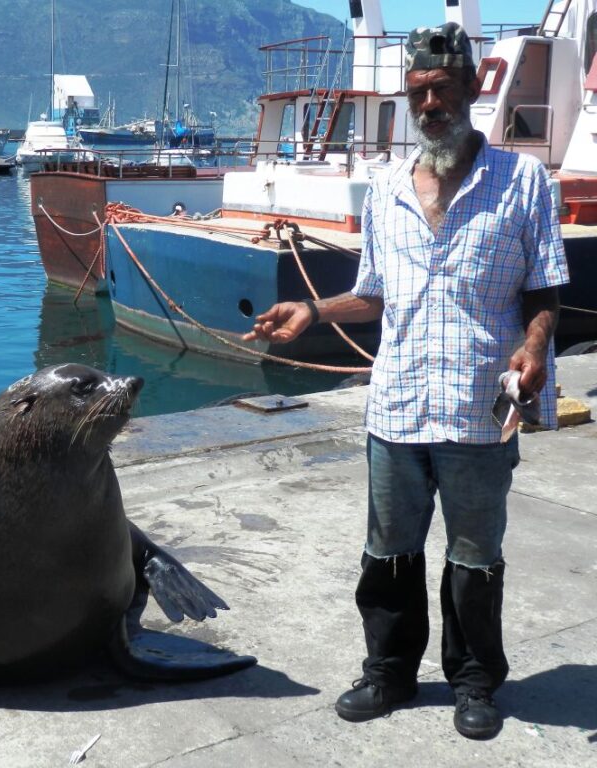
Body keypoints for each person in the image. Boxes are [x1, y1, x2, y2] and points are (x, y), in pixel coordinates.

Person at [243, 22, 569, 740]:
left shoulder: (523, 183)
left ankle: (476, 678)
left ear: (472, 90)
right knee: (388, 551)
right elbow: (376, 293)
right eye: (417, 93)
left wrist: (537, 348)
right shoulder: (387, 188)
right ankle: (389, 671)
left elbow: (543, 292)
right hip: (396, 405)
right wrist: (312, 309)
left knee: (475, 554)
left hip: (482, 410)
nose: (429, 105)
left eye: (441, 90)